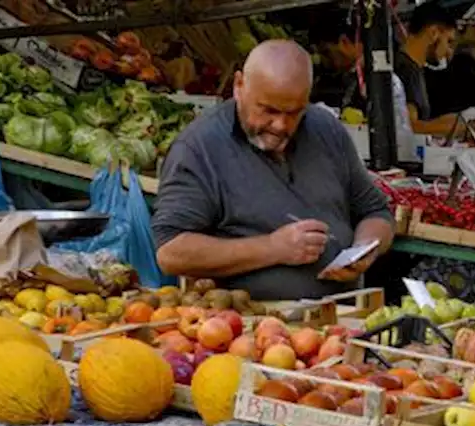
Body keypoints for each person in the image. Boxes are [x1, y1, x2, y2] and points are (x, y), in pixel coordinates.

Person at [153, 41, 395, 301]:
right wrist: (273, 248)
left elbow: (376, 211)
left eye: (294, 112)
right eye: (268, 110)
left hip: (345, 320)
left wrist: (365, 248)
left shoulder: (326, 129)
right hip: (250, 330)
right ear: (238, 86)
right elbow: (170, 251)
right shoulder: (199, 148)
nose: (280, 125)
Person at [394, 1, 462, 134]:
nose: (449, 52)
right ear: (433, 33)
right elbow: (408, 127)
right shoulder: (405, 70)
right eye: (448, 41)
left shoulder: (413, 69)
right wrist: (456, 127)